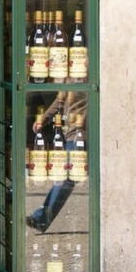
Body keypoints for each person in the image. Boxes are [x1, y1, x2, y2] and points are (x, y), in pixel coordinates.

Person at [26, 90, 88, 232]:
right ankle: (41, 218)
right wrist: (44, 118)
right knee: (67, 177)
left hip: (81, 134)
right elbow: (61, 97)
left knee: (67, 177)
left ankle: (41, 218)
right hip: (75, 133)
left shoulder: (89, 73)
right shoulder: (74, 74)